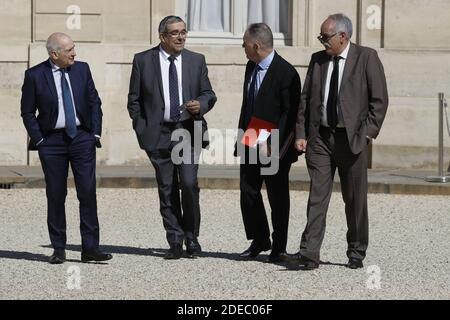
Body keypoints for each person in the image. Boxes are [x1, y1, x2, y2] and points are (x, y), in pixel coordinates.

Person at [290, 13, 388, 270]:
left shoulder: (367, 58)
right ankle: (309, 253)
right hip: (321, 138)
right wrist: (301, 133)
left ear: (343, 36)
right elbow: (305, 100)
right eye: (321, 36)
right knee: (317, 196)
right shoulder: (318, 60)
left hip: (352, 140)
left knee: (355, 199)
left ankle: (356, 250)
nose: (322, 41)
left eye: (326, 36)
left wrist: (367, 133)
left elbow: (379, 101)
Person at [127, 16, 217, 260]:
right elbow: (134, 100)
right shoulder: (143, 60)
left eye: (183, 32)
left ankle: (192, 237)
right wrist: (142, 128)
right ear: (163, 37)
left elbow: (208, 93)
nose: (181, 37)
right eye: (175, 33)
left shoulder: (196, 60)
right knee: (166, 189)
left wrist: (201, 104)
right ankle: (175, 240)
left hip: (187, 130)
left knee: (188, 184)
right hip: (158, 133)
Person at [20, 32, 112, 264]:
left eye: (74, 48)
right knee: (56, 194)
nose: (74, 53)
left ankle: (90, 248)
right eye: (69, 50)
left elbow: (94, 102)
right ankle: (58, 248)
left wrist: (95, 134)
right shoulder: (34, 75)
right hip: (51, 142)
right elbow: (28, 112)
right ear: (54, 54)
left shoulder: (82, 69)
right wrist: (39, 140)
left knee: (87, 193)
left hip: (82, 138)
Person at [235, 23, 301, 263]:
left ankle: (279, 246)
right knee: (248, 190)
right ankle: (260, 238)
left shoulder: (286, 72)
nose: (243, 48)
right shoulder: (250, 67)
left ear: (256, 45)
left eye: (244, 44)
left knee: (277, 195)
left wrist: (276, 143)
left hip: (275, 140)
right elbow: (248, 104)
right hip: (253, 133)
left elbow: (290, 113)